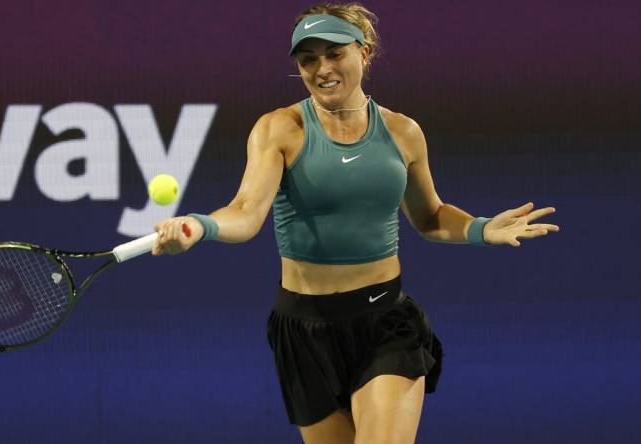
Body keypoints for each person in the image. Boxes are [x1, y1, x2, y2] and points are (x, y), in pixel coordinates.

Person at [151, 3, 560, 443]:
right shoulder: (280, 128)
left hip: (385, 323)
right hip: (302, 329)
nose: (321, 68)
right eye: (308, 59)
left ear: (363, 54)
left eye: (334, 53)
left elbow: (431, 216)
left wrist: (482, 229)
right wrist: (198, 226)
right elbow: (246, 212)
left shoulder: (403, 132)